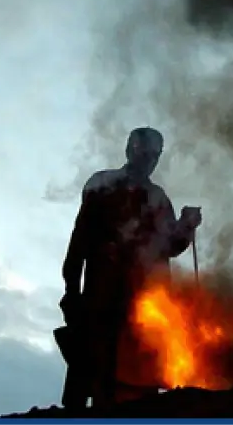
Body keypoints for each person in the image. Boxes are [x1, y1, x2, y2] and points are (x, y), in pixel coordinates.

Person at [60, 127, 201, 410]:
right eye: (143, 150)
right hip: (103, 289)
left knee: (140, 370)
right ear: (129, 150)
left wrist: (186, 225)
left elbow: (169, 246)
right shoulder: (102, 184)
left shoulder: (158, 198)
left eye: (154, 154)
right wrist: (71, 287)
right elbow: (81, 237)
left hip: (144, 297)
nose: (148, 158)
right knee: (96, 362)